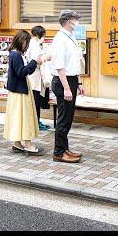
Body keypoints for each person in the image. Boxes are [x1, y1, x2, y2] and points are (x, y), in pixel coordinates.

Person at [4, 30, 48, 156]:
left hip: (17, 90)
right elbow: (21, 72)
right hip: (20, 91)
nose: (27, 45)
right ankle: (28, 145)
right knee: (25, 117)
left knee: (18, 117)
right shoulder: (16, 55)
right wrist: (35, 62)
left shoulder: (14, 54)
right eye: (26, 42)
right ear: (21, 41)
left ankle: (18, 143)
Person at [50, 10, 85, 163]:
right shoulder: (59, 39)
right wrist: (66, 88)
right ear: (68, 21)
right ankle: (58, 152)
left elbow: (74, 63)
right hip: (62, 81)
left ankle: (64, 148)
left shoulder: (70, 36)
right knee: (63, 118)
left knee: (69, 117)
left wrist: (78, 83)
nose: (77, 22)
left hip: (71, 80)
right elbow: (59, 66)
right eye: (75, 19)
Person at [26, 25, 50, 131]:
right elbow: (37, 60)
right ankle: (35, 122)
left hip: (34, 76)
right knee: (35, 100)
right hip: (34, 77)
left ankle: (36, 121)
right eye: (43, 35)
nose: (44, 38)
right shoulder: (34, 44)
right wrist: (47, 57)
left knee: (36, 100)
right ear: (39, 35)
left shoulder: (31, 43)